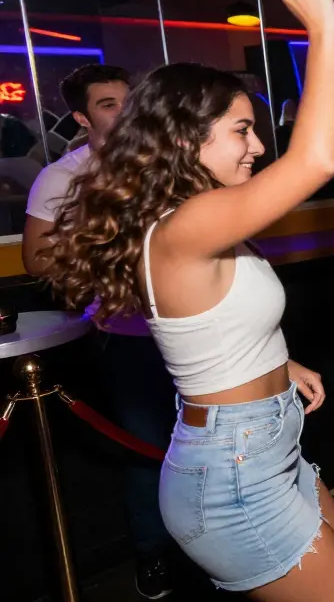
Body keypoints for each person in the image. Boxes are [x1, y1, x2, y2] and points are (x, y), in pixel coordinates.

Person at [39, 0, 334, 599]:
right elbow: (317, 161)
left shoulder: (198, 216)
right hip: (234, 473)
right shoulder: (185, 225)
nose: (256, 146)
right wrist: (324, 29)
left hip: (268, 447)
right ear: (188, 137)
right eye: (242, 130)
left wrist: (280, 362)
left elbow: (210, 322)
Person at [23, 64, 182, 600]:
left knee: (203, 444)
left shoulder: (163, 164)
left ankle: (206, 547)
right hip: (129, 336)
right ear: (81, 117)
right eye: (108, 103)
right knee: (147, 450)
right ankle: (152, 555)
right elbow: (38, 261)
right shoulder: (63, 176)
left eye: (126, 99)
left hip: (191, 327)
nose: (123, 109)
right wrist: (108, 261)